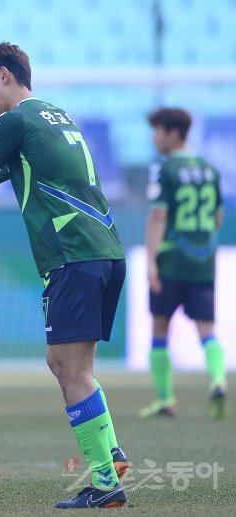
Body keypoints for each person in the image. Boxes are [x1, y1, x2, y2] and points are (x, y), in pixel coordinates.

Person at [0, 42, 129, 509]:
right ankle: (111, 452)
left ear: (4, 75)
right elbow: (4, 172)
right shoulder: (55, 116)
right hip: (105, 251)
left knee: (68, 368)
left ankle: (106, 483)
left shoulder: (13, 121)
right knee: (70, 365)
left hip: (71, 253)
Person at [140, 107, 227, 419]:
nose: (155, 138)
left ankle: (166, 400)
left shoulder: (165, 170)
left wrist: (151, 261)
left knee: (160, 326)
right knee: (207, 330)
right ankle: (218, 380)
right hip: (203, 262)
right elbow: (217, 218)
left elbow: (158, 216)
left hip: (171, 262)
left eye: (158, 131)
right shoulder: (210, 170)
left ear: (173, 134)